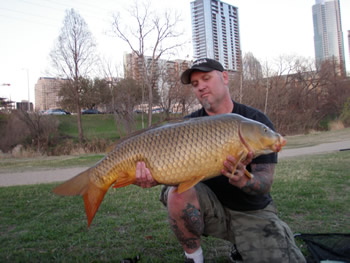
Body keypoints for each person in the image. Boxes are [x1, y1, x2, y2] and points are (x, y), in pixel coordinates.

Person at [134, 58, 306, 263]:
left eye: (206, 78)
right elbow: (175, 174)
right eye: (195, 84)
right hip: (208, 208)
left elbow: (264, 183)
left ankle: (243, 245)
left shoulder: (255, 122)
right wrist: (155, 178)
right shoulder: (188, 126)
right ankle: (194, 258)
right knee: (176, 194)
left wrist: (245, 181)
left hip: (251, 211)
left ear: (225, 77)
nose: (200, 87)